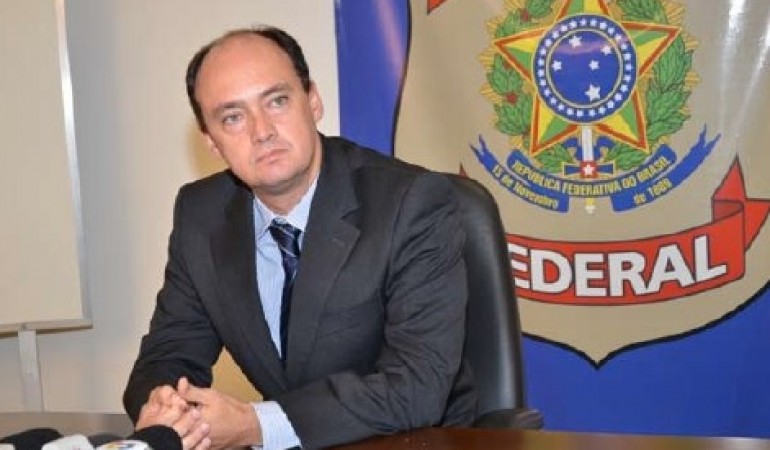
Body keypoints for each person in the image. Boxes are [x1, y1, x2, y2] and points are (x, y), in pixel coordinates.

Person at [123, 25, 476, 450]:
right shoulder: (201, 214)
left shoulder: (409, 203)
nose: (262, 131)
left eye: (277, 101)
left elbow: (416, 387)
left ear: (313, 101)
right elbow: (168, 353)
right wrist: (167, 410)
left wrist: (255, 424)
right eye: (233, 117)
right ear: (212, 142)